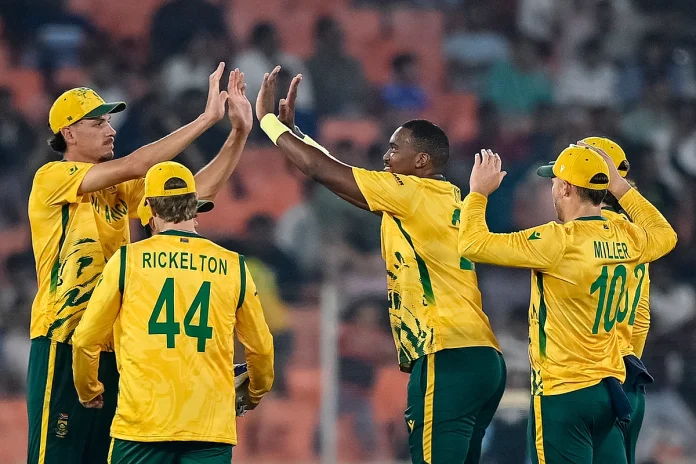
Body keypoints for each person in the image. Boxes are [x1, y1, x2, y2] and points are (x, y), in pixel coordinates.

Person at [255, 66, 506, 463]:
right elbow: (341, 176)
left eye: (394, 148)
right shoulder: (445, 197)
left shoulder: (410, 193)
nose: (386, 157)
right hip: (482, 357)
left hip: (446, 354)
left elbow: (322, 171)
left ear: (420, 160)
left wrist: (268, 123)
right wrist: (297, 133)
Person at [26, 65, 253, 464]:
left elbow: (188, 199)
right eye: (98, 123)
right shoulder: (52, 177)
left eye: (109, 122)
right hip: (62, 337)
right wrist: (205, 120)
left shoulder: (120, 187)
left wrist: (238, 135)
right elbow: (138, 163)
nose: (110, 130)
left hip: (113, 345)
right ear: (69, 133)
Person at [457, 145, 677, 463]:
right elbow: (666, 235)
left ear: (566, 188)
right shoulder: (627, 236)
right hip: (610, 391)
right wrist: (620, 187)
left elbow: (472, 243)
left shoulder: (558, 241)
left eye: (554, 182)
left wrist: (478, 193)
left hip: (564, 393)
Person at [72, 161, 274, 463]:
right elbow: (261, 348)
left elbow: (85, 340)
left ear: (151, 210)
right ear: (195, 207)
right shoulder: (234, 266)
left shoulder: (127, 262)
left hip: (142, 427)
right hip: (209, 428)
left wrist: (89, 389)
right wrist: (254, 393)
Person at [579, 137, 652, 464]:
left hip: (587, 385)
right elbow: (641, 315)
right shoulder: (637, 234)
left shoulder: (576, 235)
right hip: (629, 380)